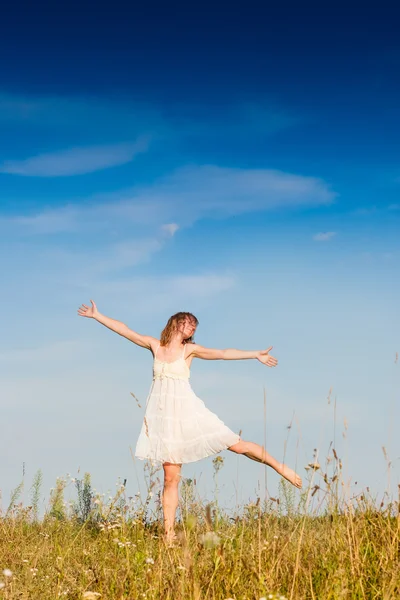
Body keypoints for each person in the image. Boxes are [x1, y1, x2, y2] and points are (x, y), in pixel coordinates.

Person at [78, 301, 302, 543]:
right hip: (166, 421)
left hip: (190, 413)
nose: (192, 326)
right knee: (170, 477)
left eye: (194, 325)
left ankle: (280, 467)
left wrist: (255, 354)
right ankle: (169, 535)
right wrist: (97, 315)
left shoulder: (189, 351)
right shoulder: (156, 346)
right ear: (175, 323)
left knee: (237, 445)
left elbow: (223, 353)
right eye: (188, 321)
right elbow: (125, 330)